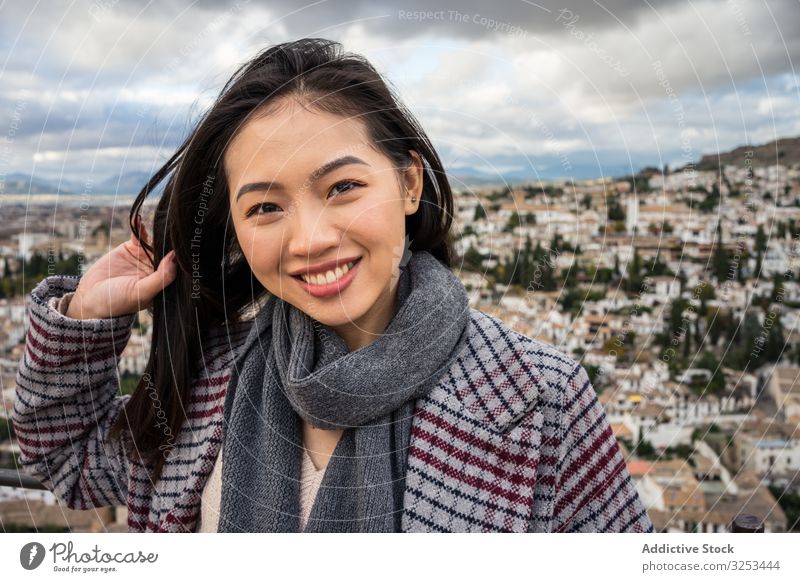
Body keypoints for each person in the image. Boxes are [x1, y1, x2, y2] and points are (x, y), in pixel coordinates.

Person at [12, 38, 654, 533]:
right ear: (234, 226)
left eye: (343, 187)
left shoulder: (538, 401)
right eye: (266, 207)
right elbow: (69, 465)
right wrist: (86, 316)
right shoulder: (210, 374)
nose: (311, 238)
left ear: (408, 183)